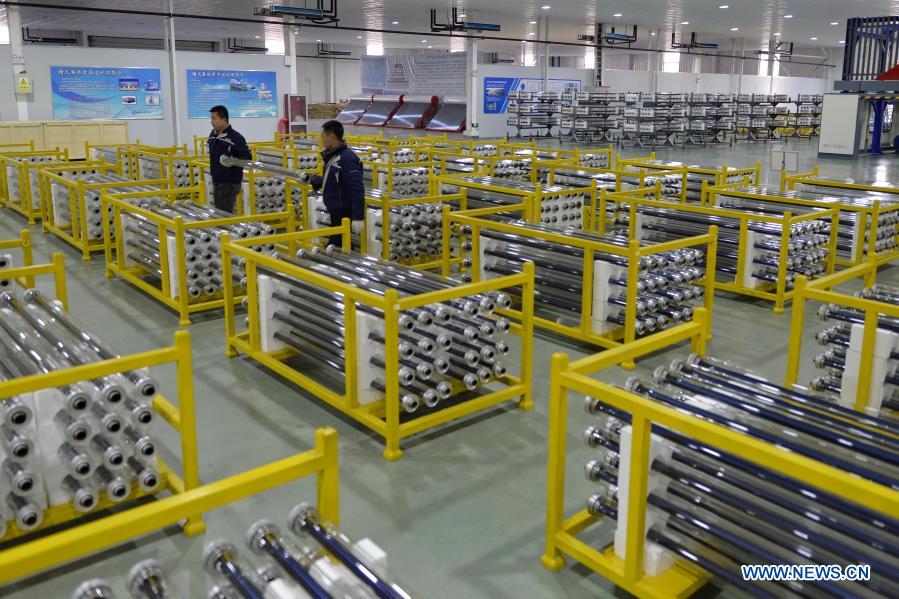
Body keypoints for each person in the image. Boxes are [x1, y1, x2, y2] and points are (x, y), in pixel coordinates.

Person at [300, 120, 365, 247]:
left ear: (332, 137)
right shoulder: (334, 156)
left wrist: (358, 217)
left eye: (323, 137)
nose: (322, 140)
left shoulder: (347, 159)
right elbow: (335, 181)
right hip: (335, 212)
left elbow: (357, 189)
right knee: (340, 245)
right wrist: (315, 180)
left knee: (337, 247)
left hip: (343, 213)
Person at [208, 105, 252, 214]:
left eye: (214, 118)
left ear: (224, 120)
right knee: (219, 213)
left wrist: (231, 161)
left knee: (225, 214)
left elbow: (247, 157)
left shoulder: (235, 137)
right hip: (217, 180)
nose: (211, 121)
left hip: (229, 182)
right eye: (211, 118)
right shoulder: (213, 135)